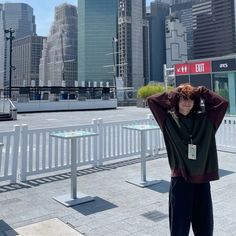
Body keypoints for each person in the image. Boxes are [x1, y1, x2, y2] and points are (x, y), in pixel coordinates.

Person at [147, 84, 228, 236]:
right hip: (181, 180)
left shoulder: (206, 120)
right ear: (176, 101)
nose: (187, 102)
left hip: (202, 181)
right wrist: (176, 92)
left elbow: (222, 104)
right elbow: (152, 101)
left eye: (191, 99)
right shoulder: (168, 121)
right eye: (183, 99)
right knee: (179, 228)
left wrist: (202, 91)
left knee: (204, 227)